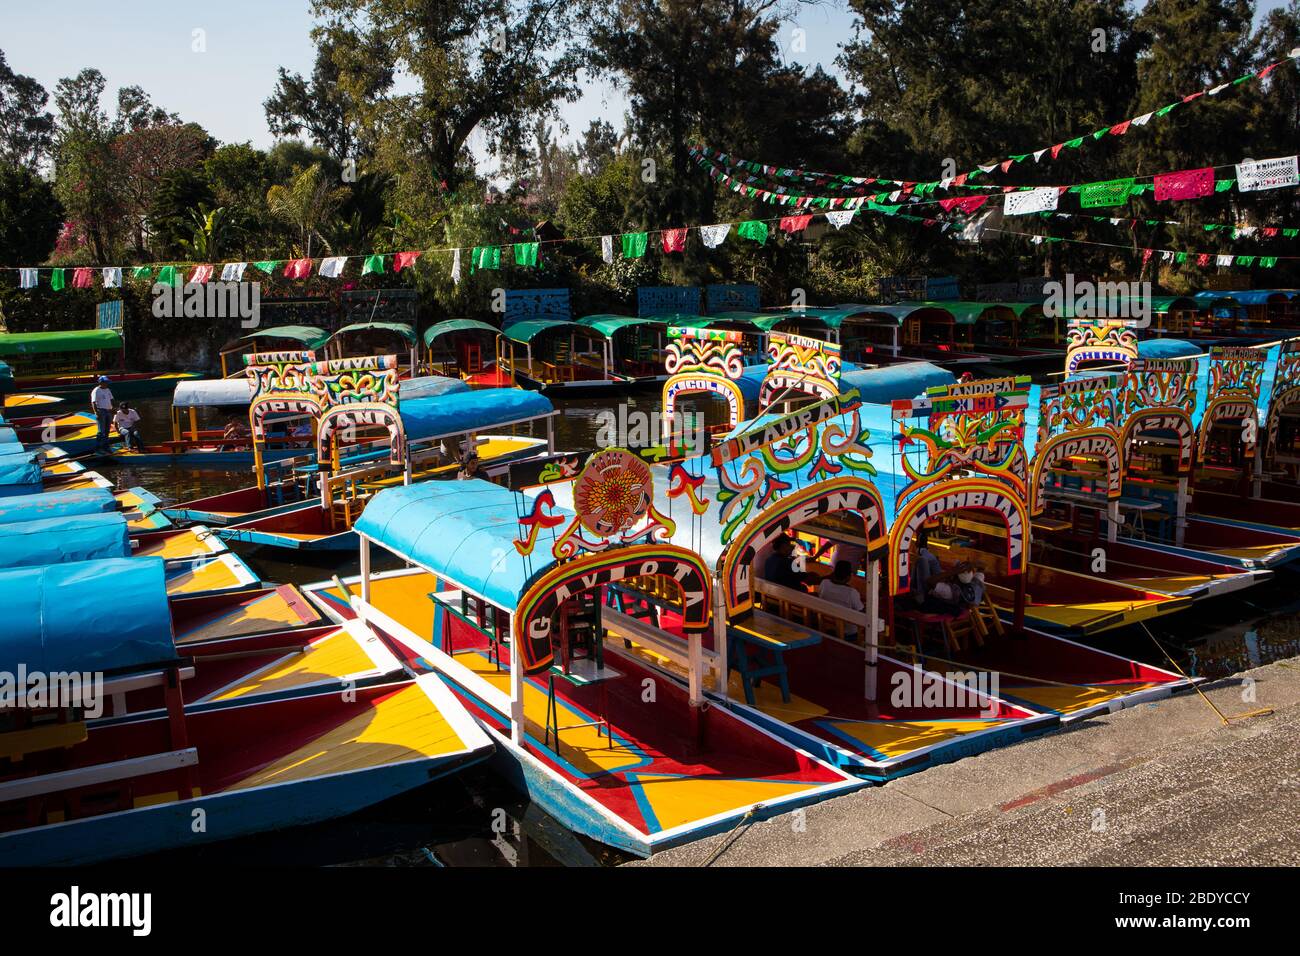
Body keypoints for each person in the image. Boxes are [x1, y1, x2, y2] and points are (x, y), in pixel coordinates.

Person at [817, 560, 865, 638]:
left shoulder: (824, 583)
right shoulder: (851, 592)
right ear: (848, 577)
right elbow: (861, 612)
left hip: (827, 626)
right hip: (847, 632)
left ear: (833, 573)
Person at [910, 527, 943, 609]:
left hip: (926, 595)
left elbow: (930, 581)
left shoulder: (950, 592)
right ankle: (922, 549)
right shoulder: (953, 590)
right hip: (934, 587)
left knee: (922, 560)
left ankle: (921, 550)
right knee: (930, 559)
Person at [89, 376, 114, 452]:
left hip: (108, 411)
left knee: (107, 430)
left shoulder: (107, 389)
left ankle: (106, 446)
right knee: (101, 431)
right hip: (101, 411)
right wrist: (96, 412)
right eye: (105, 382)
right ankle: (98, 447)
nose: (107, 383)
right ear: (101, 382)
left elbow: (111, 399)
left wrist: (112, 407)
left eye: (107, 382)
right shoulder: (96, 390)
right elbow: (93, 402)